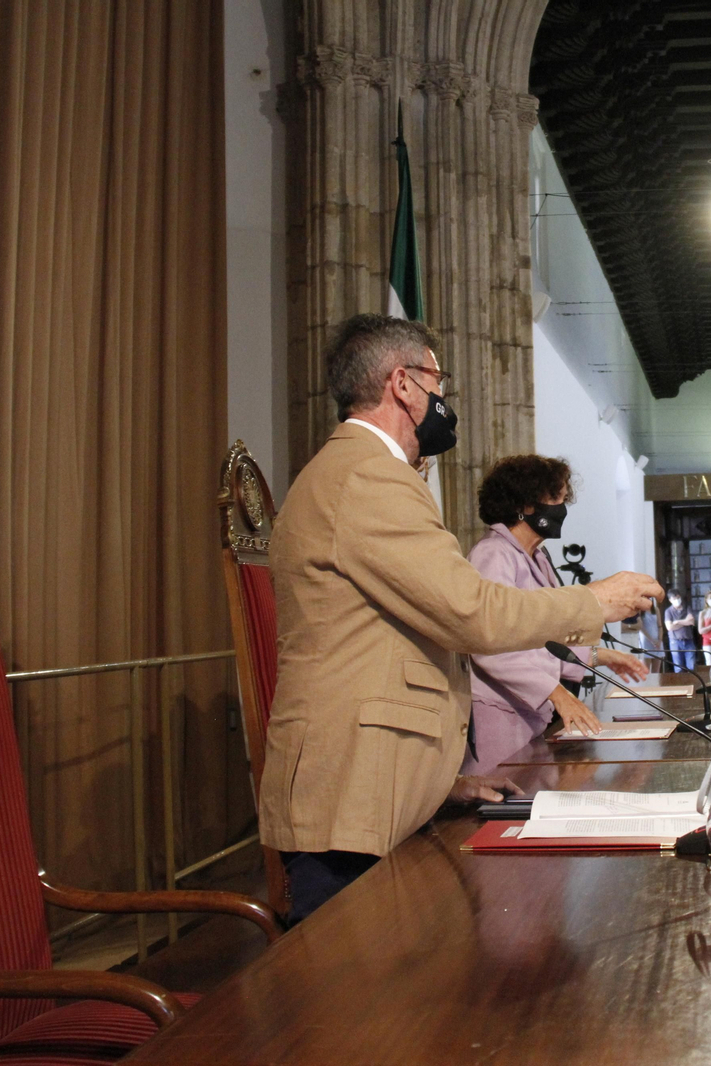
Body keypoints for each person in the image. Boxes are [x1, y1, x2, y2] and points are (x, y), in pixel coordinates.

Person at [257, 314, 662, 924]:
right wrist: (596, 601)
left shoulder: (357, 472)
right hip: (352, 798)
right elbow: (470, 613)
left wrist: (441, 784)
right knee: (359, 1011)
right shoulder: (368, 474)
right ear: (403, 383)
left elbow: (380, 643)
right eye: (438, 381)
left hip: (380, 785)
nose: (443, 399)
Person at [461, 454, 649, 774]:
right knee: (503, 806)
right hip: (498, 713)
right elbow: (491, 646)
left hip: (528, 712)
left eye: (564, 498)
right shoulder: (493, 555)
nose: (561, 508)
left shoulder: (538, 557)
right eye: (555, 498)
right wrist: (557, 694)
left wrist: (598, 655)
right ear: (525, 503)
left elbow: (546, 637)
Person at [664, 590, 697, 672]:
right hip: (675, 642)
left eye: (678, 598)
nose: (677, 600)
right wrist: (685, 621)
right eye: (674, 598)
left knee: (691, 666)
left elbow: (692, 622)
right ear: (670, 600)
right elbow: (670, 627)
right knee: (678, 667)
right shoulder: (668, 611)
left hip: (688, 640)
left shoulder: (687, 607)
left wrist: (677, 622)